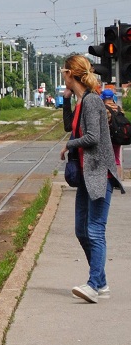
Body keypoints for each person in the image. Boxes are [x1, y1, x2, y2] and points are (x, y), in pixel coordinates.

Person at [60, 55, 125, 303]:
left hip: (100, 174)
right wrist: (66, 102)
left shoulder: (92, 102)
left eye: (63, 72)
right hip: (88, 176)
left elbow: (93, 137)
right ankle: (102, 283)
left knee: (95, 231)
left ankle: (93, 284)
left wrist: (69, 145)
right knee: (81, 231)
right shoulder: (81, 102)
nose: (61, 76)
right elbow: (70, 126)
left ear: (70, 74)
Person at [101, 88, 122, 181]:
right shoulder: (119, 109)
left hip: (109, 138)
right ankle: (118, 180)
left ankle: (108, 178)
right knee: (116, 159)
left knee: (105, 159)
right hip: (119, 137)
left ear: (103, 98)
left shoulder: (104, 109)